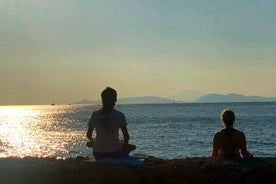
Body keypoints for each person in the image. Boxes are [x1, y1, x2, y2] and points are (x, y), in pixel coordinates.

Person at [86, 87, 136, 160]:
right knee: (131, 146)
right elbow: (126, 136)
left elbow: (88, 134)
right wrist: (125, 144)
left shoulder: (95, 115)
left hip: (98, 153)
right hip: (115, 152)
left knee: (95, 143)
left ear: (102, 99)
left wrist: (92, 141)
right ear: (115, 100)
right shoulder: (119, 115)